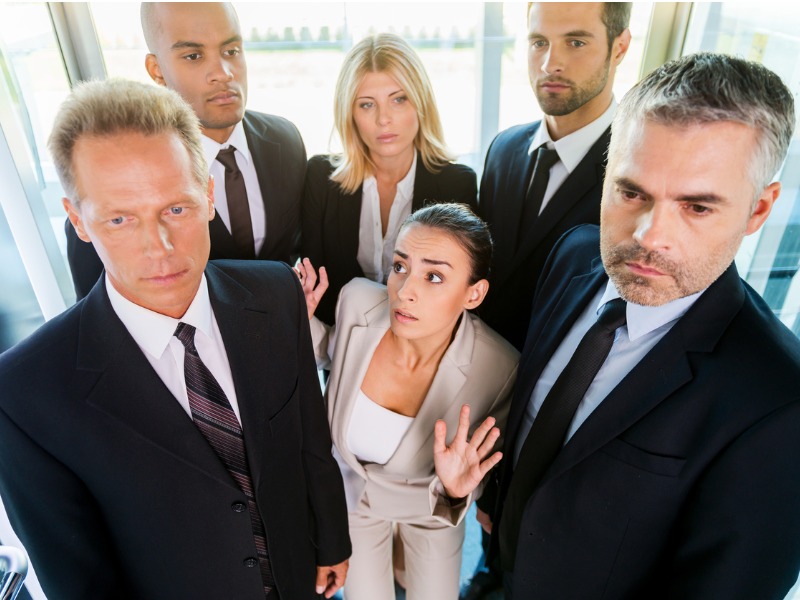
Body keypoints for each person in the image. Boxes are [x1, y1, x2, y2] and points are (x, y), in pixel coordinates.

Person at [0, 79, 350, 600]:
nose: (159, 247)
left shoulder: (276, 294)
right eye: (120, 219)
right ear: (79, 220)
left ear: (207, 194)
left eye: (177, 209)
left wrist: (331, 540)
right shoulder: (25, 393)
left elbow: (307, 436)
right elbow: (79, 579)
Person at [475, 53, 800, 599]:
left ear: (758, 211)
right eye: (631, 193)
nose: (649, 235)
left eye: (696, 207)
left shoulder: (779, 404)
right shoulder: (575, 254)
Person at [296, 203, 518, 600]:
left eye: (434, 276)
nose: (405, 292)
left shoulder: (499, 369)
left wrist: (456, 490)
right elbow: (334, 350)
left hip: (430, 510)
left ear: (474, 293)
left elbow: (483, 471)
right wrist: (302, 320)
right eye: (400, 267)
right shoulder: (357, 301)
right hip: (355, 498)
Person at [65, 2, 307, 300]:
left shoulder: (287, 140)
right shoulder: (107, 198)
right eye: (194, 56)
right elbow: (99, 319)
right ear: (157, 70)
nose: (223, 73)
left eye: (231, 51)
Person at [477, 2, 631, 351]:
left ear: (619, 47)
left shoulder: (638, 179)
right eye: (538, 42)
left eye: (575, 42)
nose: (549, 64)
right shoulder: (502, 148)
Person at [302, 33, 478, 326]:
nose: (384, 119)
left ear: (420, 103)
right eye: (367, 104)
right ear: (350, 113)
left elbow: (453, 296)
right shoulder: (321, 178)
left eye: (399, 99)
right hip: (336, 351)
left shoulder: (457, 184)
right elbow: (315, 289)